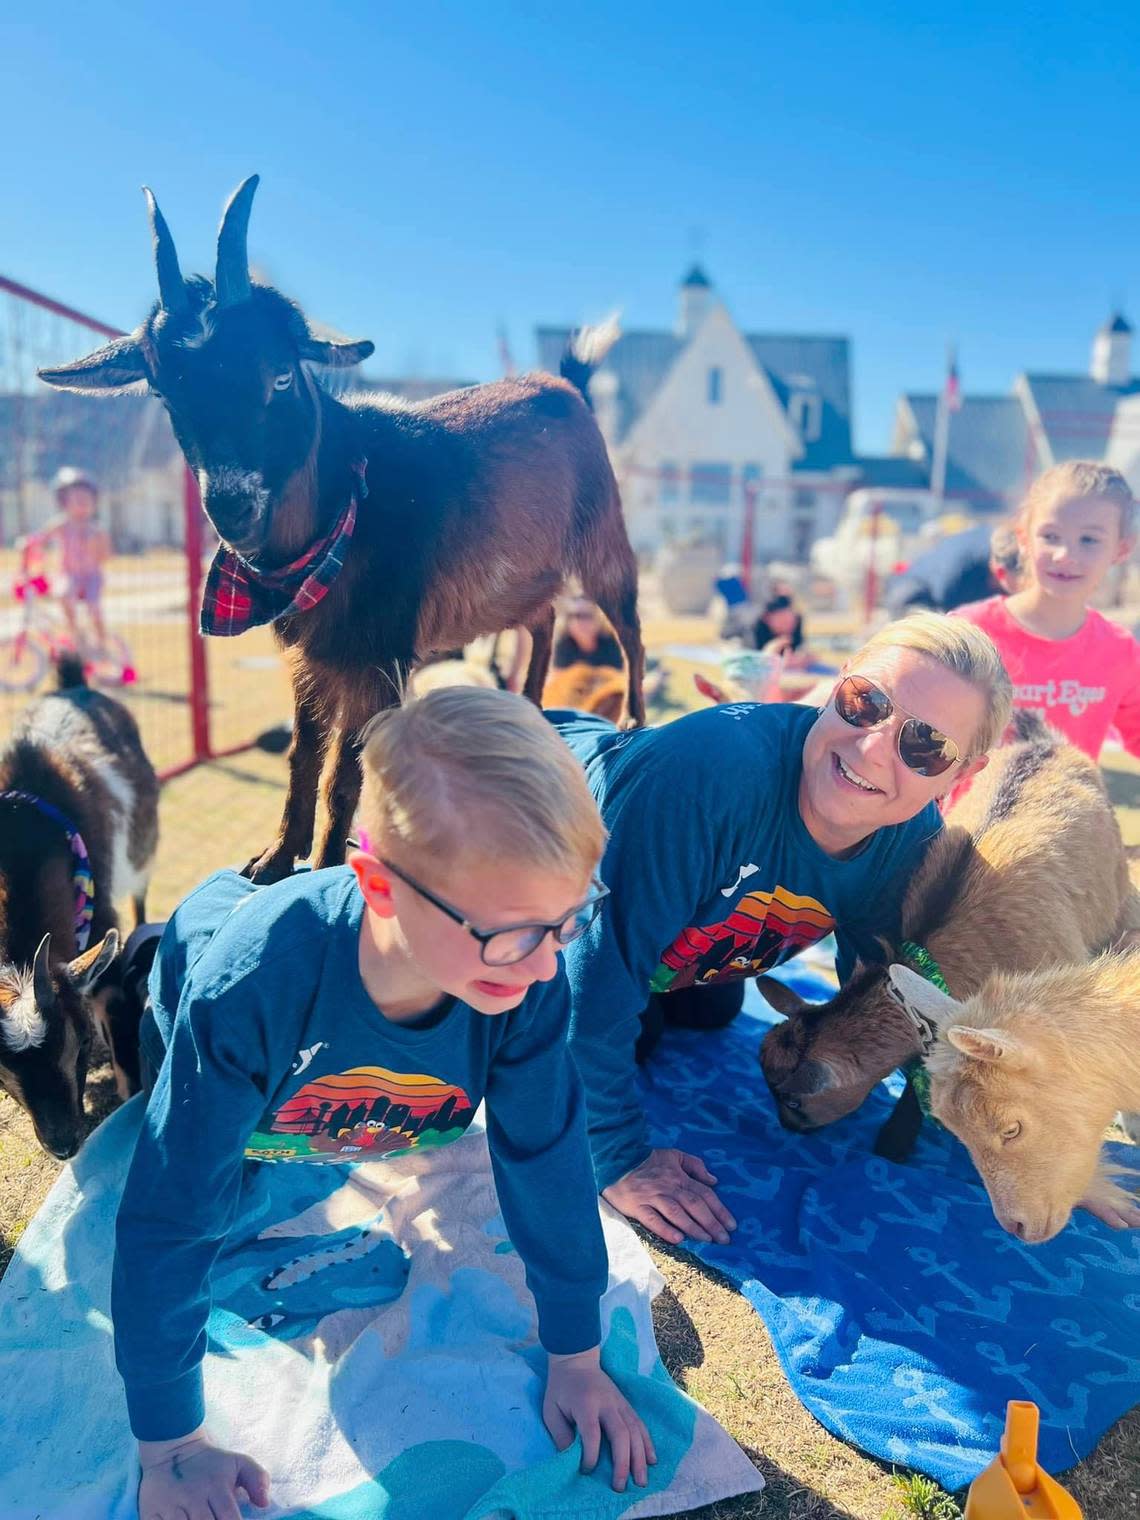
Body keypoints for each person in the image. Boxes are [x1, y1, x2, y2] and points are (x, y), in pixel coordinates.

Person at [115, 686, 655, 1519]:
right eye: (513, 931)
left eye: (568, 920)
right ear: (377, 884)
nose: (549, 966)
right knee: (231, 1185)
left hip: (333, 1039)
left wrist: (575, 1352)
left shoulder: (524, 972)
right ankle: (141, 963)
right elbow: (169, 1216)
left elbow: (546, 1152)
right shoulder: (250, 987)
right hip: (210, 962)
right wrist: (172, 1447)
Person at [553, 613, 1012, 1246]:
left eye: (926, 745)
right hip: (522, 809)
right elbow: (586, 988)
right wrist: (617, 1157)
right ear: (836, 683)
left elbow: (889, 994)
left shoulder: (908, 849)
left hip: (660, 923)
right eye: (865, 703)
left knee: (710, 1010)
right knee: (566, 1036)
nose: (873, 747)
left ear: (963, 774)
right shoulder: (700, 781)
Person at [952, 462, 1140, 762]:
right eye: (1050, 536)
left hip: (1060, 809)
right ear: (1024, 539)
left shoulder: (1119, 651)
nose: (1064, 555)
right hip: (967, 809)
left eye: (1089, 540)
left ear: (1121, 549)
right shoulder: (969, 632)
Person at [34, 466, 112, 647]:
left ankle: (101, 639)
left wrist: (96, 546)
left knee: (94, 607)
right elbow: (42, 537)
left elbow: (106, 556)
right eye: (77, 500)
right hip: (69, 574)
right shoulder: (61, 524)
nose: (82, 505)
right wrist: (30, 543)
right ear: (64, 503)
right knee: (63, 595)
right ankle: (75, 631)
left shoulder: (96, 530)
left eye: (87, 501)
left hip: (92, 576)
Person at [552, 597, 624, 671]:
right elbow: (560, 678)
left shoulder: (614, 643)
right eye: (573, 615)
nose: (578, 622)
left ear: (599, 618)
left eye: (586, 615)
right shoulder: (563, 645)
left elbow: (620, 676)